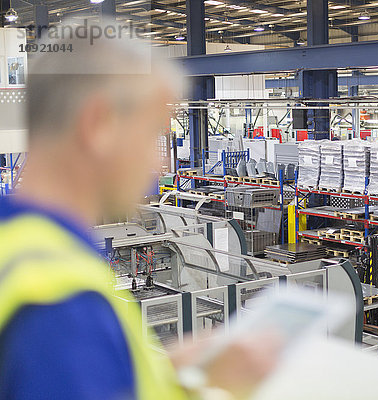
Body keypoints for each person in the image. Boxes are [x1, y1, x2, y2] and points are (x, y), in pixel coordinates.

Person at [0, 21, 277, 400]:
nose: (157, 164)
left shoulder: (19, 245)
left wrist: (171, 375)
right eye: (150, 133)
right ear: (98, 124)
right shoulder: (62, 305)